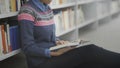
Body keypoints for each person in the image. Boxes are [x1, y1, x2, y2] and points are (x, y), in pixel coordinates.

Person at [18, 0, 120, 68]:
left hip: (54, 54)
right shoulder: (27, 11)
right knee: (89, 51)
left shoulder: (47, 8)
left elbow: (50, 36)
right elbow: (27, 47)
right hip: (40, 63)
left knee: (90, 61)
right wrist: (50, 52)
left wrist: (58, 41)